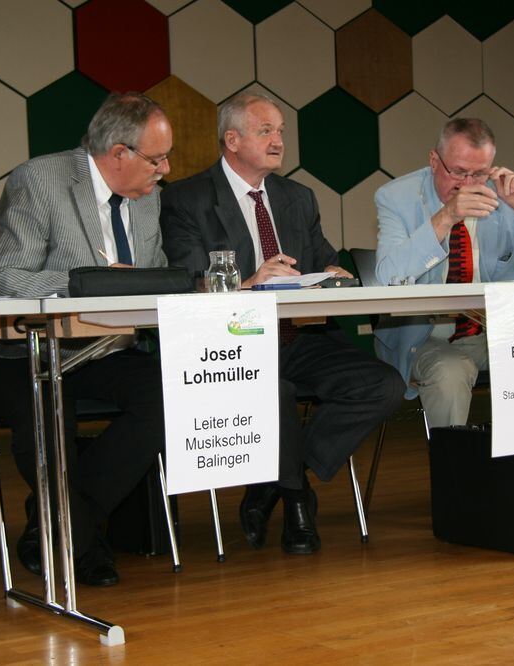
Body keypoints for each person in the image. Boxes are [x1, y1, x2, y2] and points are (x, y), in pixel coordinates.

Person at [160, 92, 404, 555]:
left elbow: (323, 258)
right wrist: (251, 282)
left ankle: (273, 483)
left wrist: (333, 273)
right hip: (228, 346)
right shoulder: (186, 199)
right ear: (231, 140)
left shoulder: (297, 197)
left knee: (383, 385)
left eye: (280, 132)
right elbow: (187, 283)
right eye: (265, 131)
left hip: (298, 336)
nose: (277, 141)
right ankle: (296, 502)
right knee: (277, 392)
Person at [0, 93, 171, 586]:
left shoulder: (147, 197)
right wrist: (86, 281)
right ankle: (84, 541)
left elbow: (155, 276)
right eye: (156, 158)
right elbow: (6, 278)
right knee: (46, 406)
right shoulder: (40, 180)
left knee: (172, 392)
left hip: (105, 348)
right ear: (119, 154)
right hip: (16, 350)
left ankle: (69, 521)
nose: (165, 168)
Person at [373, 117, 514, 430]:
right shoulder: (396, 197)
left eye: (479, 173)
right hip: (426, 336)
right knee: (450, 373)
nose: (468, 184)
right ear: (434, 160)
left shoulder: (504, 199)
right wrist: (446, 217)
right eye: (459, 172)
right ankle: (456, 476)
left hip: (499, 334)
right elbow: (388, 278)